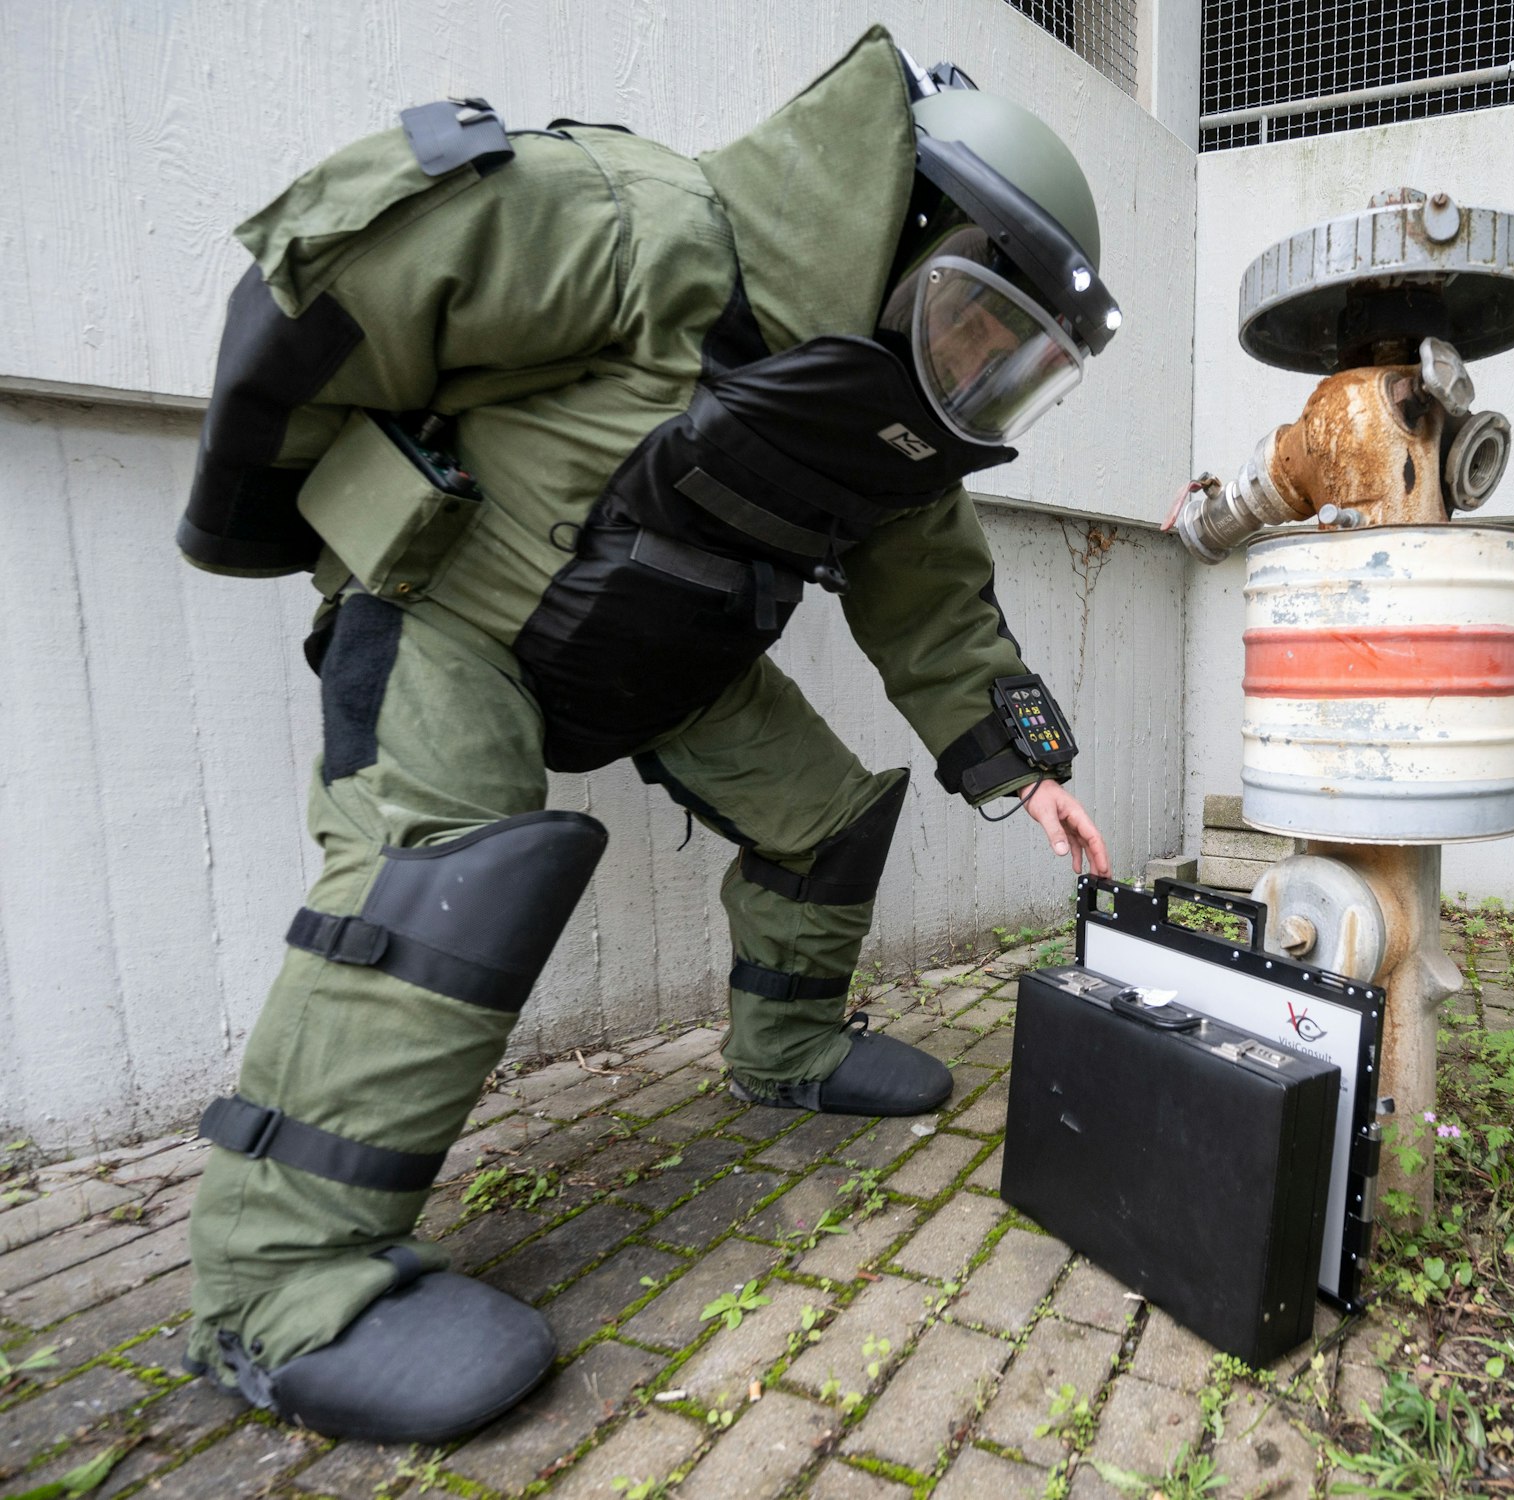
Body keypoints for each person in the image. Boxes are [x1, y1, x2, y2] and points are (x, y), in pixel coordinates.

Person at [173, 28, 1118, 1445]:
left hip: (667, 661)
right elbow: (349, 282)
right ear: (907, 229)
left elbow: (936, 613)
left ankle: (787, 1050)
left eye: (1011, 361)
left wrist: (1029, 772)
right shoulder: (641, 227)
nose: (975, 372)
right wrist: (276, 511)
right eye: (976, 321)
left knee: (829, 820)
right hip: (459, 618)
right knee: (453, 868)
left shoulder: (901, 437)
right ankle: (278, 1282)